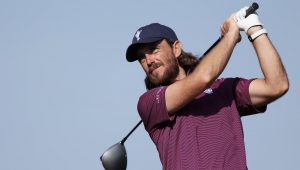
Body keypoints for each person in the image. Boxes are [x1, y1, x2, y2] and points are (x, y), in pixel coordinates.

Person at [125, 7, 289, 170]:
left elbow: (277, 85)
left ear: (176, 48)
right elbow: (203, 78)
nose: (148, 60)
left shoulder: (223, 88)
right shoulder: (149, 103)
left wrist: (254, 28)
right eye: (141, 58)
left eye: (153, 50)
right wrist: (231, 35)